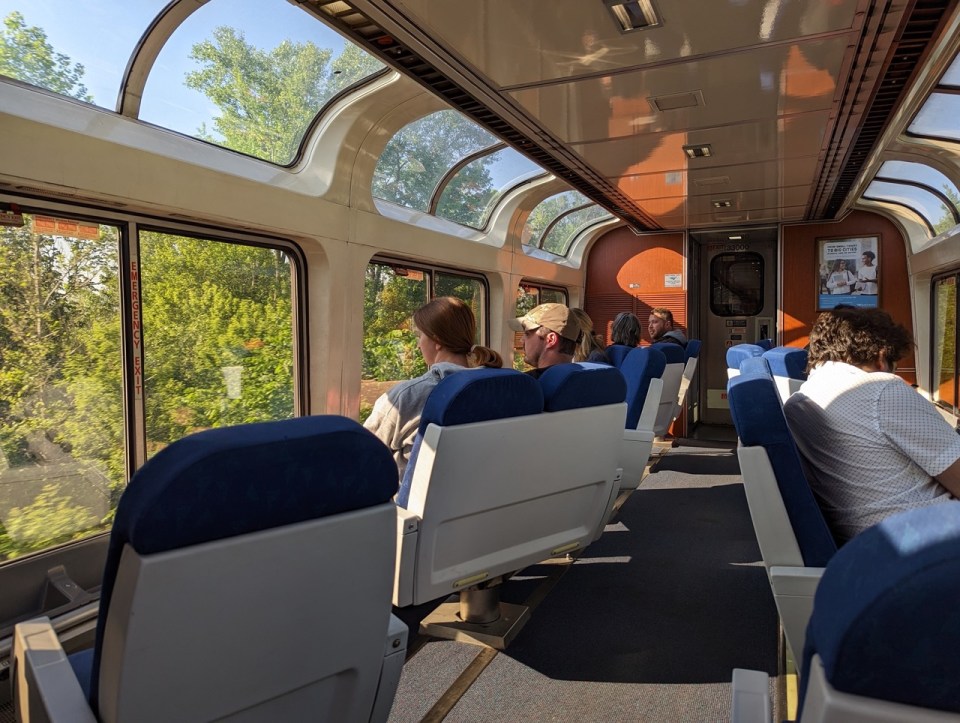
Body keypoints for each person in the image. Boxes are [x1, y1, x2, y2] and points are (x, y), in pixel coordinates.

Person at [784, 307, 960, 544]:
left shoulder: (799, 400)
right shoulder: (881, 391)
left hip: (870, 539)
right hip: (930, 537)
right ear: (880, 356)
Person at [364, 296, 502, 478]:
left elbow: (362, 452)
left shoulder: (407, 396)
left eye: (420, 336)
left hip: (408, 505)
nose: (418, 344)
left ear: (437, 341)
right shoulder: (497, 389)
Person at [509, 302, 581, 379]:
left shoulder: (522, 384)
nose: (521, 340)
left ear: (550, 340)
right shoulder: (585, 379)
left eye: (527, 334)